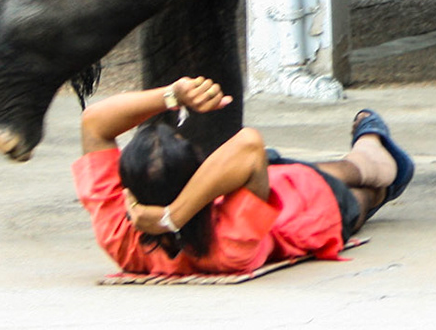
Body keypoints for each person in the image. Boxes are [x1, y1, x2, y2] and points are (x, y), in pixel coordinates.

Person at [73, 75, 415, 277]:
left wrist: (173, 95)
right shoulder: (225, 249)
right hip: (312, 208)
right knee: (370, 185)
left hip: (254, 178)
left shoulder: (120, 232)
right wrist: (170, 217)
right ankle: (376, 147)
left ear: (128, 189)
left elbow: (94, 123)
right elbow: (249, 143)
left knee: (313, 168)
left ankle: (374, 148)